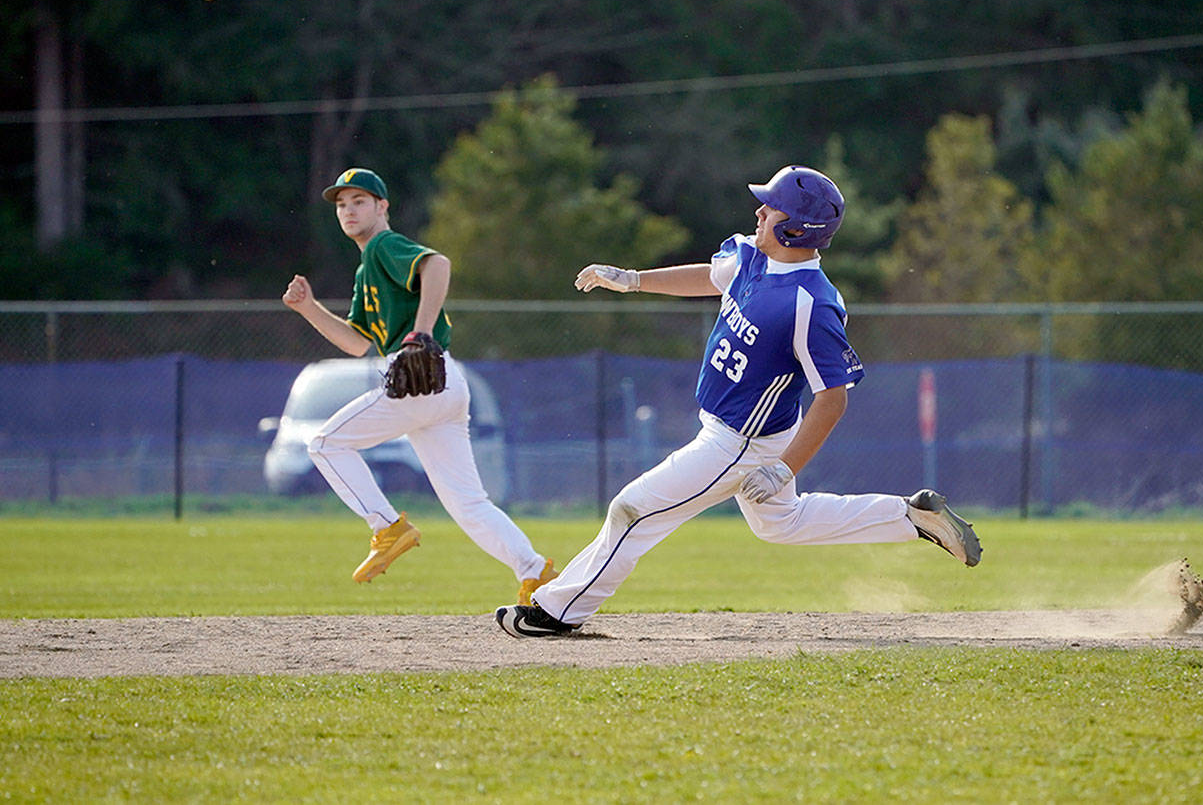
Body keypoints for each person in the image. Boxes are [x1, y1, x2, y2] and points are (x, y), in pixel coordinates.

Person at [495, 165, 980, 638]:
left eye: (772, 207)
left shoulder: (811, 302)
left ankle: (559, 610)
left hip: (741, 441)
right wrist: (633, 279)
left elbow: (833, 399)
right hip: (737, 430)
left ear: (793, 227)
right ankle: (910, 516)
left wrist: (783, 468)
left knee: (633, 509)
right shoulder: (751, 256)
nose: (760, 210)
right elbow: (711, 276)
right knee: (781, 524)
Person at [282, 167, 557, 602]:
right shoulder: (365, 271)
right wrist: (309, 309)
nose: (349, 211)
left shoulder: (384, 246)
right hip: (442, 383)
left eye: (359, 201)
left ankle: (387, 526)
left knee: (324, 444)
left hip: (420, 375)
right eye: (342, 205)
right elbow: (357, 344)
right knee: (468, 503)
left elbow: (437, 264)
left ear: (382, 206)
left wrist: (421, 333)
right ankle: (534, 570)